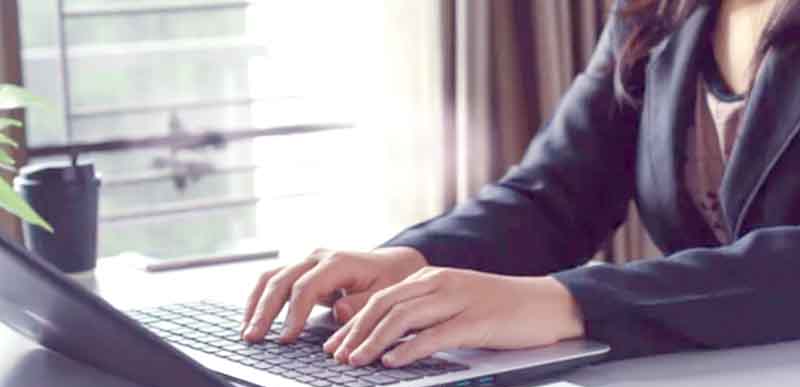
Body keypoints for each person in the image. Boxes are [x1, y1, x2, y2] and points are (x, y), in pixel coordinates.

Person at [241, 0, 800, 367]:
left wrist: (566, 302)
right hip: (718, 383)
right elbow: (555, 194)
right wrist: (413, 261)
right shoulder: (656, 13)